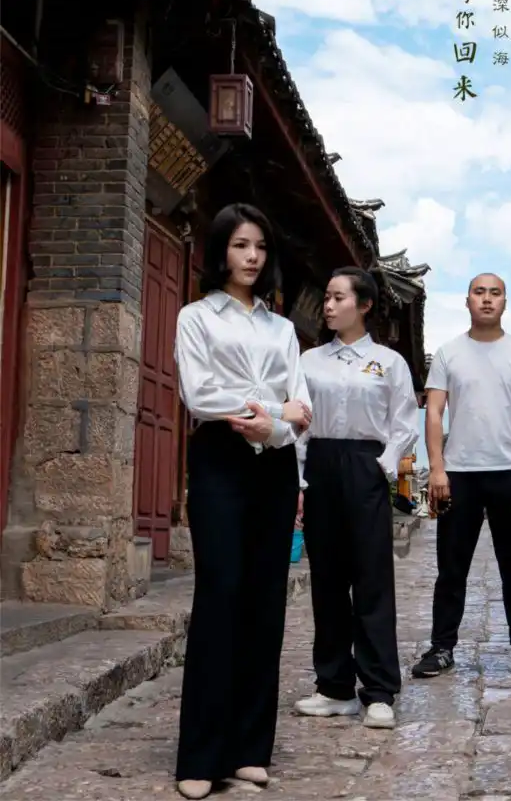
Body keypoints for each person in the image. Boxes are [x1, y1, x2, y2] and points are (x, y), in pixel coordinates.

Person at [173, 203, 312, 801]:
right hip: (220, 461)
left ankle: (251, 748)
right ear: (220, 251)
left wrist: (275, 426)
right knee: (220, 594)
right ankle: (201, 755)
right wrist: (271, 412)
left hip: (273, 464)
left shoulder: (283, 330)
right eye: (240, 245)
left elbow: (303, 406)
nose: (252, 257)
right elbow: (199, 393)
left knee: (265, 600)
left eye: (259, 246)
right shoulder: (196, 317)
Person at [293, 267, 419, 730]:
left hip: (366, 464)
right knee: (326, 580)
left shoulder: (389, 362)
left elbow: (404, 421)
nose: (328, 306)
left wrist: (383, 465)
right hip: (321, 463)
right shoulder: (309, 362)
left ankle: (380, 690)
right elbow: (298, 423)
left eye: (338, 298)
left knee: (371, 578)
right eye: (326, 297)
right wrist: (299, 480)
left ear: (364, 305)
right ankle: (335, 688)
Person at [411, 273, 511, 679]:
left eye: (495, 293)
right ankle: (441, 647)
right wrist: (437, 468)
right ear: (467, 300)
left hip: (510, 473)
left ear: (505, 302)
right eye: (479, 292)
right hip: (459, 474)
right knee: (451, 568)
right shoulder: (449, 353)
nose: (487, 299)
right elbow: (435, 412)